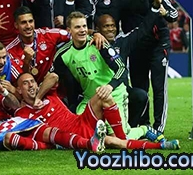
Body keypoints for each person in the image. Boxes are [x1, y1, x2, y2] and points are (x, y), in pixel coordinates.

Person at [0, 66, 105, 152]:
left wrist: (3, 91)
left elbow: (14, 104)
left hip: (11, 123)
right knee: (9, 138)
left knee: (46, 131)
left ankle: (89, 144)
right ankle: (49, 146)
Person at [14, 73, 180, 150]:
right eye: (25, 83)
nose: (31, 85)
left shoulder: (48, 94)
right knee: (112, 142)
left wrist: (39, 97)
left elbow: (54, 76)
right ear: (19, 90)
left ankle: (123, 137)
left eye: (32, 81)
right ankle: (160, 146)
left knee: (103, 94)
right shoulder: (21, 114)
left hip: (80, 121)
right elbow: (36, 135)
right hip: (73, 135)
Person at [53, 12, 145, 140]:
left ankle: (144, 130)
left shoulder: (99, 43)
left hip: (114, 94)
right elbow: (58, 78)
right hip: (90, 99)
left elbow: (121, 68)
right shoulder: (62, 55)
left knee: (120, 139)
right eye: (77, 27)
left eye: (84, 26)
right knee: (80, 134)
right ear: (69, 30)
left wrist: (109, 86)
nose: (82, 30)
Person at [116, 0, 178, 133]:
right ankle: (144, 127)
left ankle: (159, 128)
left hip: (158, 44)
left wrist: (163, 11)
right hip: (136, 46)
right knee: (139, 88)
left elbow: (174, 14)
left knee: (158, 87)